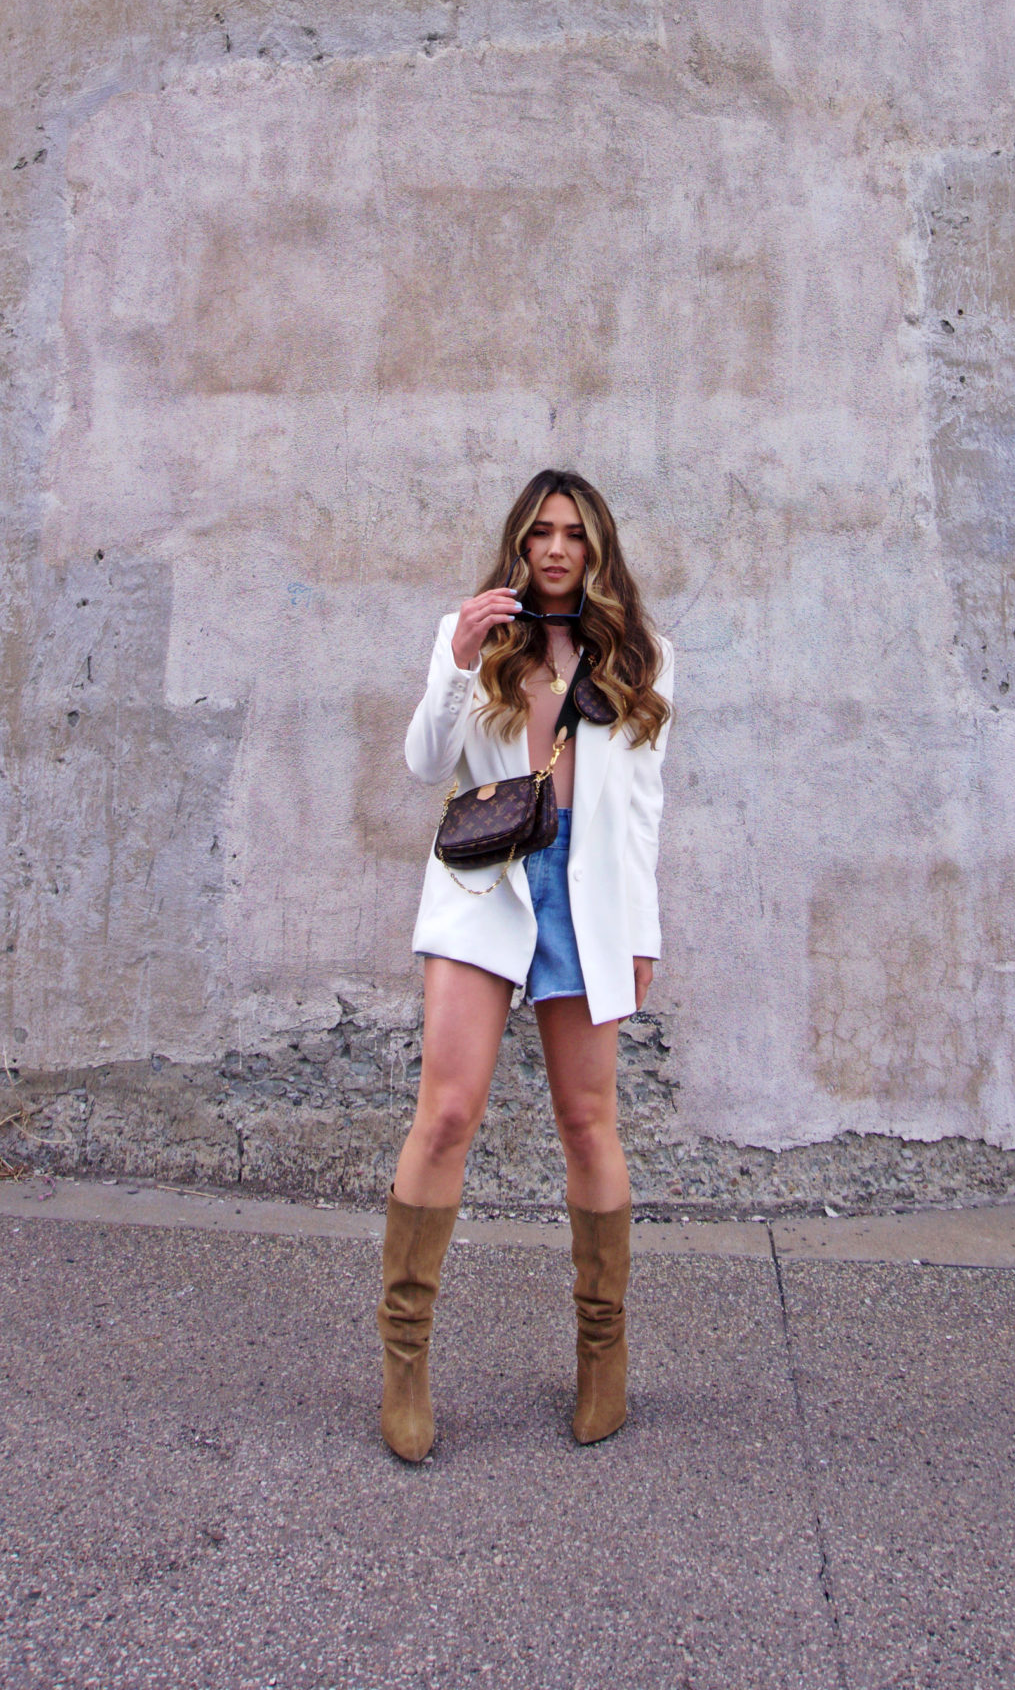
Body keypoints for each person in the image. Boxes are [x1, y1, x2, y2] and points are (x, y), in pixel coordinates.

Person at [378, 468, 675, 1462]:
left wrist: (642, 935)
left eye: (574, 534)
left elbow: (640, 813)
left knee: (588, 1122)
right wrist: (458, 664)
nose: (556, 549)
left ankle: (604, 1354)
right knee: (448, 1112)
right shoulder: (471, 634)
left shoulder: (642, 656)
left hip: (586, 899)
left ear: (597, 550)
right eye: (541, 532)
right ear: (519, 542)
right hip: (482, 889)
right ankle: (406, 1359)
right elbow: (425, 763)